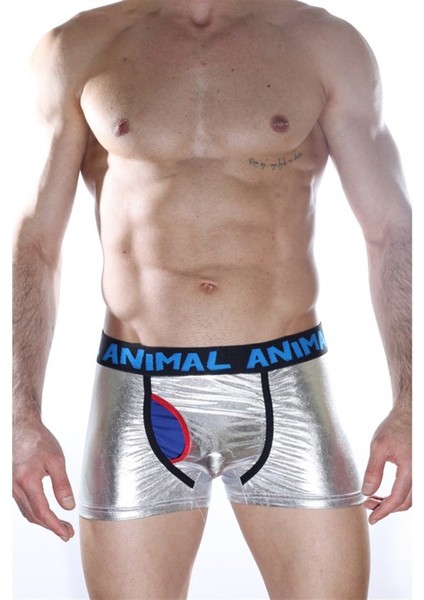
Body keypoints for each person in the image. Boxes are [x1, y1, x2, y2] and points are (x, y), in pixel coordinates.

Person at [12, 0, 412, 598]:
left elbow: (389, 229)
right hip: (139, 392)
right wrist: (22, 414)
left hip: (288, 386)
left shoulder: (324, 44)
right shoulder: (78, 47)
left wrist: (410, 402)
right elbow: (37, 242)